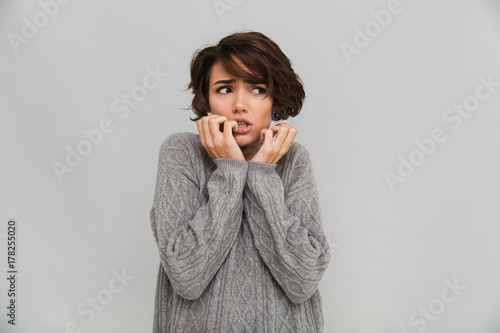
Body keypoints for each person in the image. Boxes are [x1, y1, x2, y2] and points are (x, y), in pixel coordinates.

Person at [149, 30, 331, 333]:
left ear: (275, 99)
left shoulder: (294, 159)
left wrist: (261, 176)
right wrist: (231, 171)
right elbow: (186, 276)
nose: (239, 105)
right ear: (206, 99)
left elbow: (304, 280)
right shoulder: (181, 152)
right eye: (224, 89)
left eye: (257, 89)